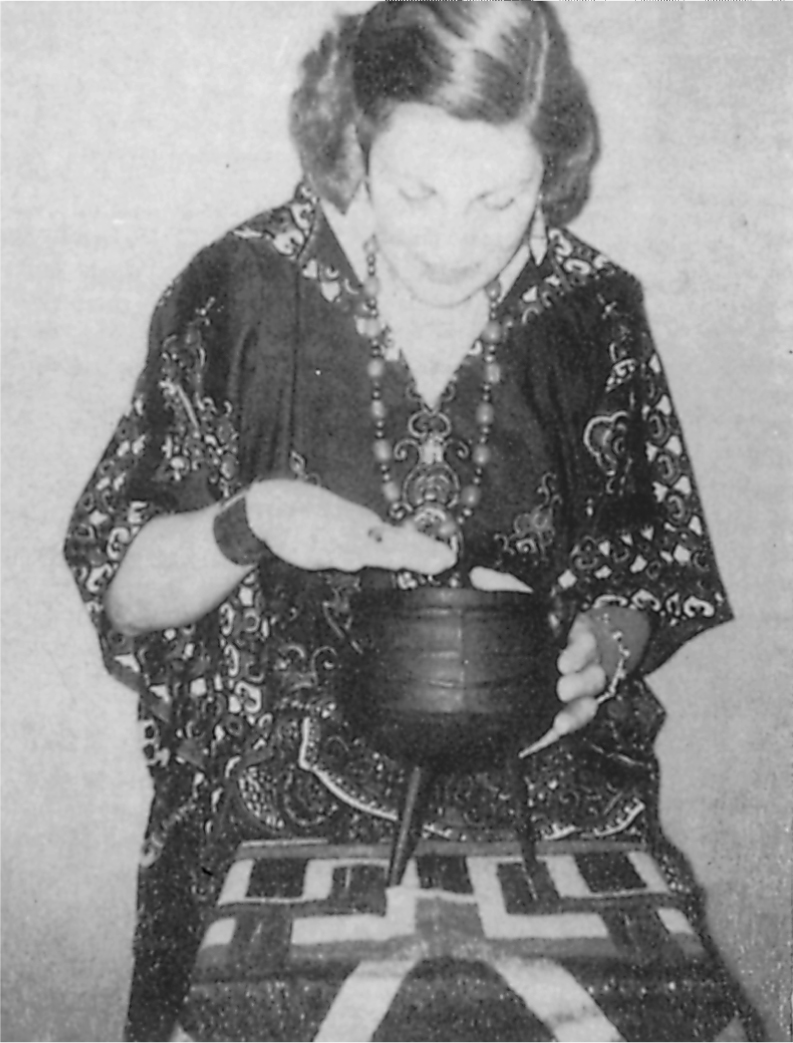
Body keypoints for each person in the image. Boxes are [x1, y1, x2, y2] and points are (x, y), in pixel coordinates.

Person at [64, 3, 733, 1040]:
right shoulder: (238, 293)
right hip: (272, 804)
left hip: (544, 790)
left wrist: (604, 650)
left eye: (500, 198)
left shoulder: (591, 310)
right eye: (415, 190)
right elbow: (123, 583)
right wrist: (253, 520)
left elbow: (649, 565)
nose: (454, 239)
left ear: (547, 173)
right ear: (353, 145)